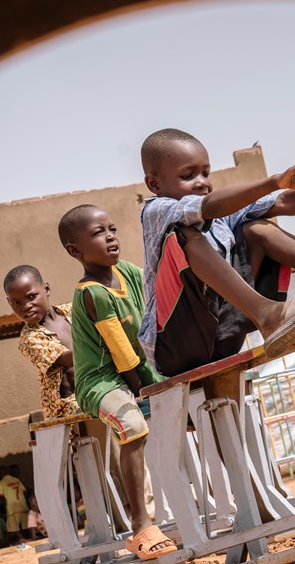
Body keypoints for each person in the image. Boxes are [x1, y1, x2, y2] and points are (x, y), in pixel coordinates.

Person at [137, 128, 295, 376]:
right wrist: (273, 181)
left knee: (255, 228)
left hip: (222, 335)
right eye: (188, 175)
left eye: (205, 173)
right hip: (175, 347)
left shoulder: (223, 211)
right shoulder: (156, 210)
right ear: (154, 183)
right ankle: (267, 313)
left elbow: (284, 203)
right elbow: (208, 207)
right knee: (184, 236)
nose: (202, 182)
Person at [58, 203, 176, 560]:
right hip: (102, 381)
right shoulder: (91, 292)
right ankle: (141, 524)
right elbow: (122, 354)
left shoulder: (128, 271)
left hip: (141, 368)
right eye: (98, 232)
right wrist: (146, 389)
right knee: (132, 423)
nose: (110, 236)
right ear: (75, 250)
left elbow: (155, 312)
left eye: (112, 228)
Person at [5, 264, 80, 420]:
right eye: (16, 303)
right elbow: (70, 359)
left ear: (46, 289)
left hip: (97, 387)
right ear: (9, 303)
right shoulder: (30, 339)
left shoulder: (74, 311)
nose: (26, 306)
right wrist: (106, 344)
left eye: (31, 297)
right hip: (68, 407)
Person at [0, 464, 30, 541]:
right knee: (25, 525)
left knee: (14, 527)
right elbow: (24, 492)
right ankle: (29, 539)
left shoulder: (1, 483)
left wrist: (5, 505)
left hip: (12, 507)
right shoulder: (16, 480)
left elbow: (1, 496)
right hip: (22, 505)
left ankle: (22, 539)